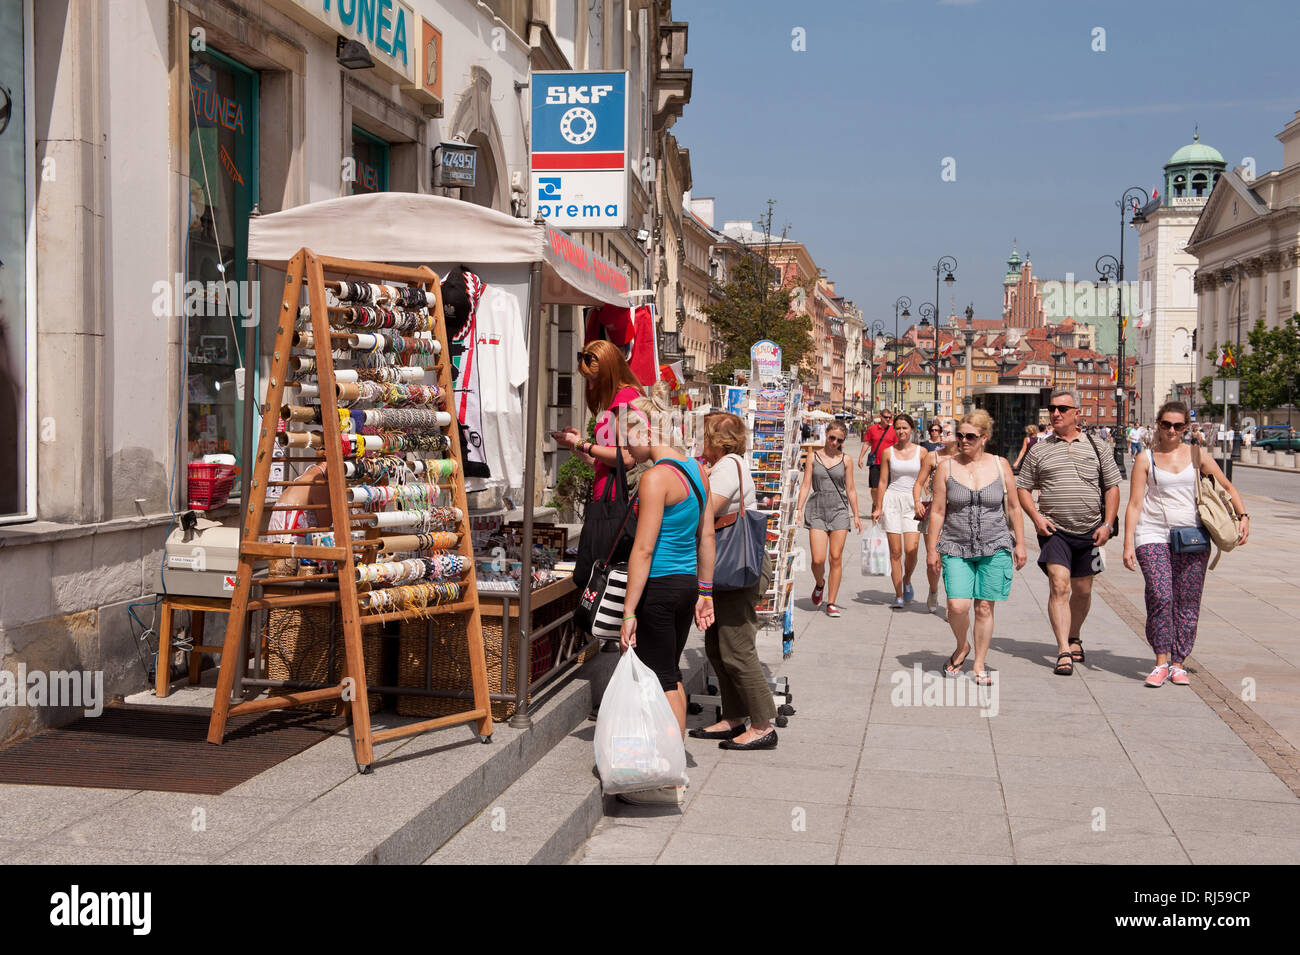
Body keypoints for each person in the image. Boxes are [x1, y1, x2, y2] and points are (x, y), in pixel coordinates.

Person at [617, 385, 711, 805]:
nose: (625, 449)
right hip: (686, 583)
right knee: (667, 671)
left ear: (642, 433)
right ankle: (672, 761)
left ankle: (670, 772)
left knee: (663, 678)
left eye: (625, 438)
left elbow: (644, 548)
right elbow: (706, 535)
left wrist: (628, 611)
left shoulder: (656, 478)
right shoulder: (696, 469)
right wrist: (705, 591)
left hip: (658, 586)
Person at [1123, 402, 1250, 687]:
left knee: (1188, 601)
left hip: (1192, 536)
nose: (1171, 430)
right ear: (1157, 423)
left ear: (1186, 428)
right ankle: (1160, 661)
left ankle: (1178, 662)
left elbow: (1227, 487)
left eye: (1178, 426)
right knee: (1161, 595)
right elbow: (1134, 504)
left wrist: (1243, 516)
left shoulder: (1197, 455)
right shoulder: (1146, 459)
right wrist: (1128, 543)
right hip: (1152, 534)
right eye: (1166, 424)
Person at [1016, 389, 1122, 676]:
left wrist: (1108, 524)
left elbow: (1112, 487)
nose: (1056, 413)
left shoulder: (1098, 446)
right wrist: (1036, 518)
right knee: (1059, 585)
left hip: (1091, 531)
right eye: (1052, 408)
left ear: (1078, 413)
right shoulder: (1039, 448)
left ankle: (1074, 635)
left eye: (1063, 409)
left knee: (1083, 590)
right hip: (1055, 530)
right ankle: (1063, 648)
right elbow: (1023, 488)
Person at [689, 412, 778, 750]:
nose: (701, 442)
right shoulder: (727, 464)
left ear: (716, 440)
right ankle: (734, 716)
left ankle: (762, 724)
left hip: (735, 566)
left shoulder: (728, 466)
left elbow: (705, 512)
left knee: (737, 648)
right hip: (728, 567)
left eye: (705, 436)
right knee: (717, 646)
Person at [927, 410, 1027, 684]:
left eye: (970, 436)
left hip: (994, 545)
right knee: (957, 606)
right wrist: (932, 549)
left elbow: (1015, 507)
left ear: (984, 437)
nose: (963, 440)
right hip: (956, 545)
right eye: (959, 435)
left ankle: (979, 663)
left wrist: (1020, 544)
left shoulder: (1000, 465)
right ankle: (963, 645)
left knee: (984, 607)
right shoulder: (946, 467)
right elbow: (937, 511)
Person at [795, 420, 863, 617]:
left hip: (839, 510)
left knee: (835, 557)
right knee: (817, 559)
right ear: (826, 434)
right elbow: (806, 484)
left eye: (839, 440)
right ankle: (820, 583)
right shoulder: (813, 457)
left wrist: (856, 514)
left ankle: (831, 602)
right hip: (817, 508)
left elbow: (850, 489)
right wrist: (799, 508)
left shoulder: (847, 460)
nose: (834, 443)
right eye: (832, 438)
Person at [872, 413, 924, 609]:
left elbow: (924, 478)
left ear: (911, 429)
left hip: (913, 502)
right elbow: (883, 481)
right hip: (892, 501)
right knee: (895, 552)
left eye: (905, 427)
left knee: (912, 549)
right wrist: (878, 506)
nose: (901, 431)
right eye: (898, 428)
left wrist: (923, 499)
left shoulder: (921, 452)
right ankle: (899, 594)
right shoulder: (888, 452)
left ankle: (907, 578)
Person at [914, 419, 958, 613]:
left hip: (957, 511)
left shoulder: (964, 458)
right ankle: (933, 591)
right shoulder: (933, 457)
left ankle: (952, 600)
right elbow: (918, 483)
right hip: (933, 510)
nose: (941, 435)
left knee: (953, 561)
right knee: (934, 561)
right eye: (940, 432)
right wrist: (917, 501)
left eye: (946, 432)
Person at [858, 409, 898, 512]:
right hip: (875, 462)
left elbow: (897, 447)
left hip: (889, 464)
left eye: (890, 417)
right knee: (874, 488)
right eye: (886, 417)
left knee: (887, 488)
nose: (888, 419)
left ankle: (882, 507)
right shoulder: (872, 429)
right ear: (880, 417)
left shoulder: (893, 430)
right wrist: (860, 457)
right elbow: (867, 443)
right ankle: (875, 503)